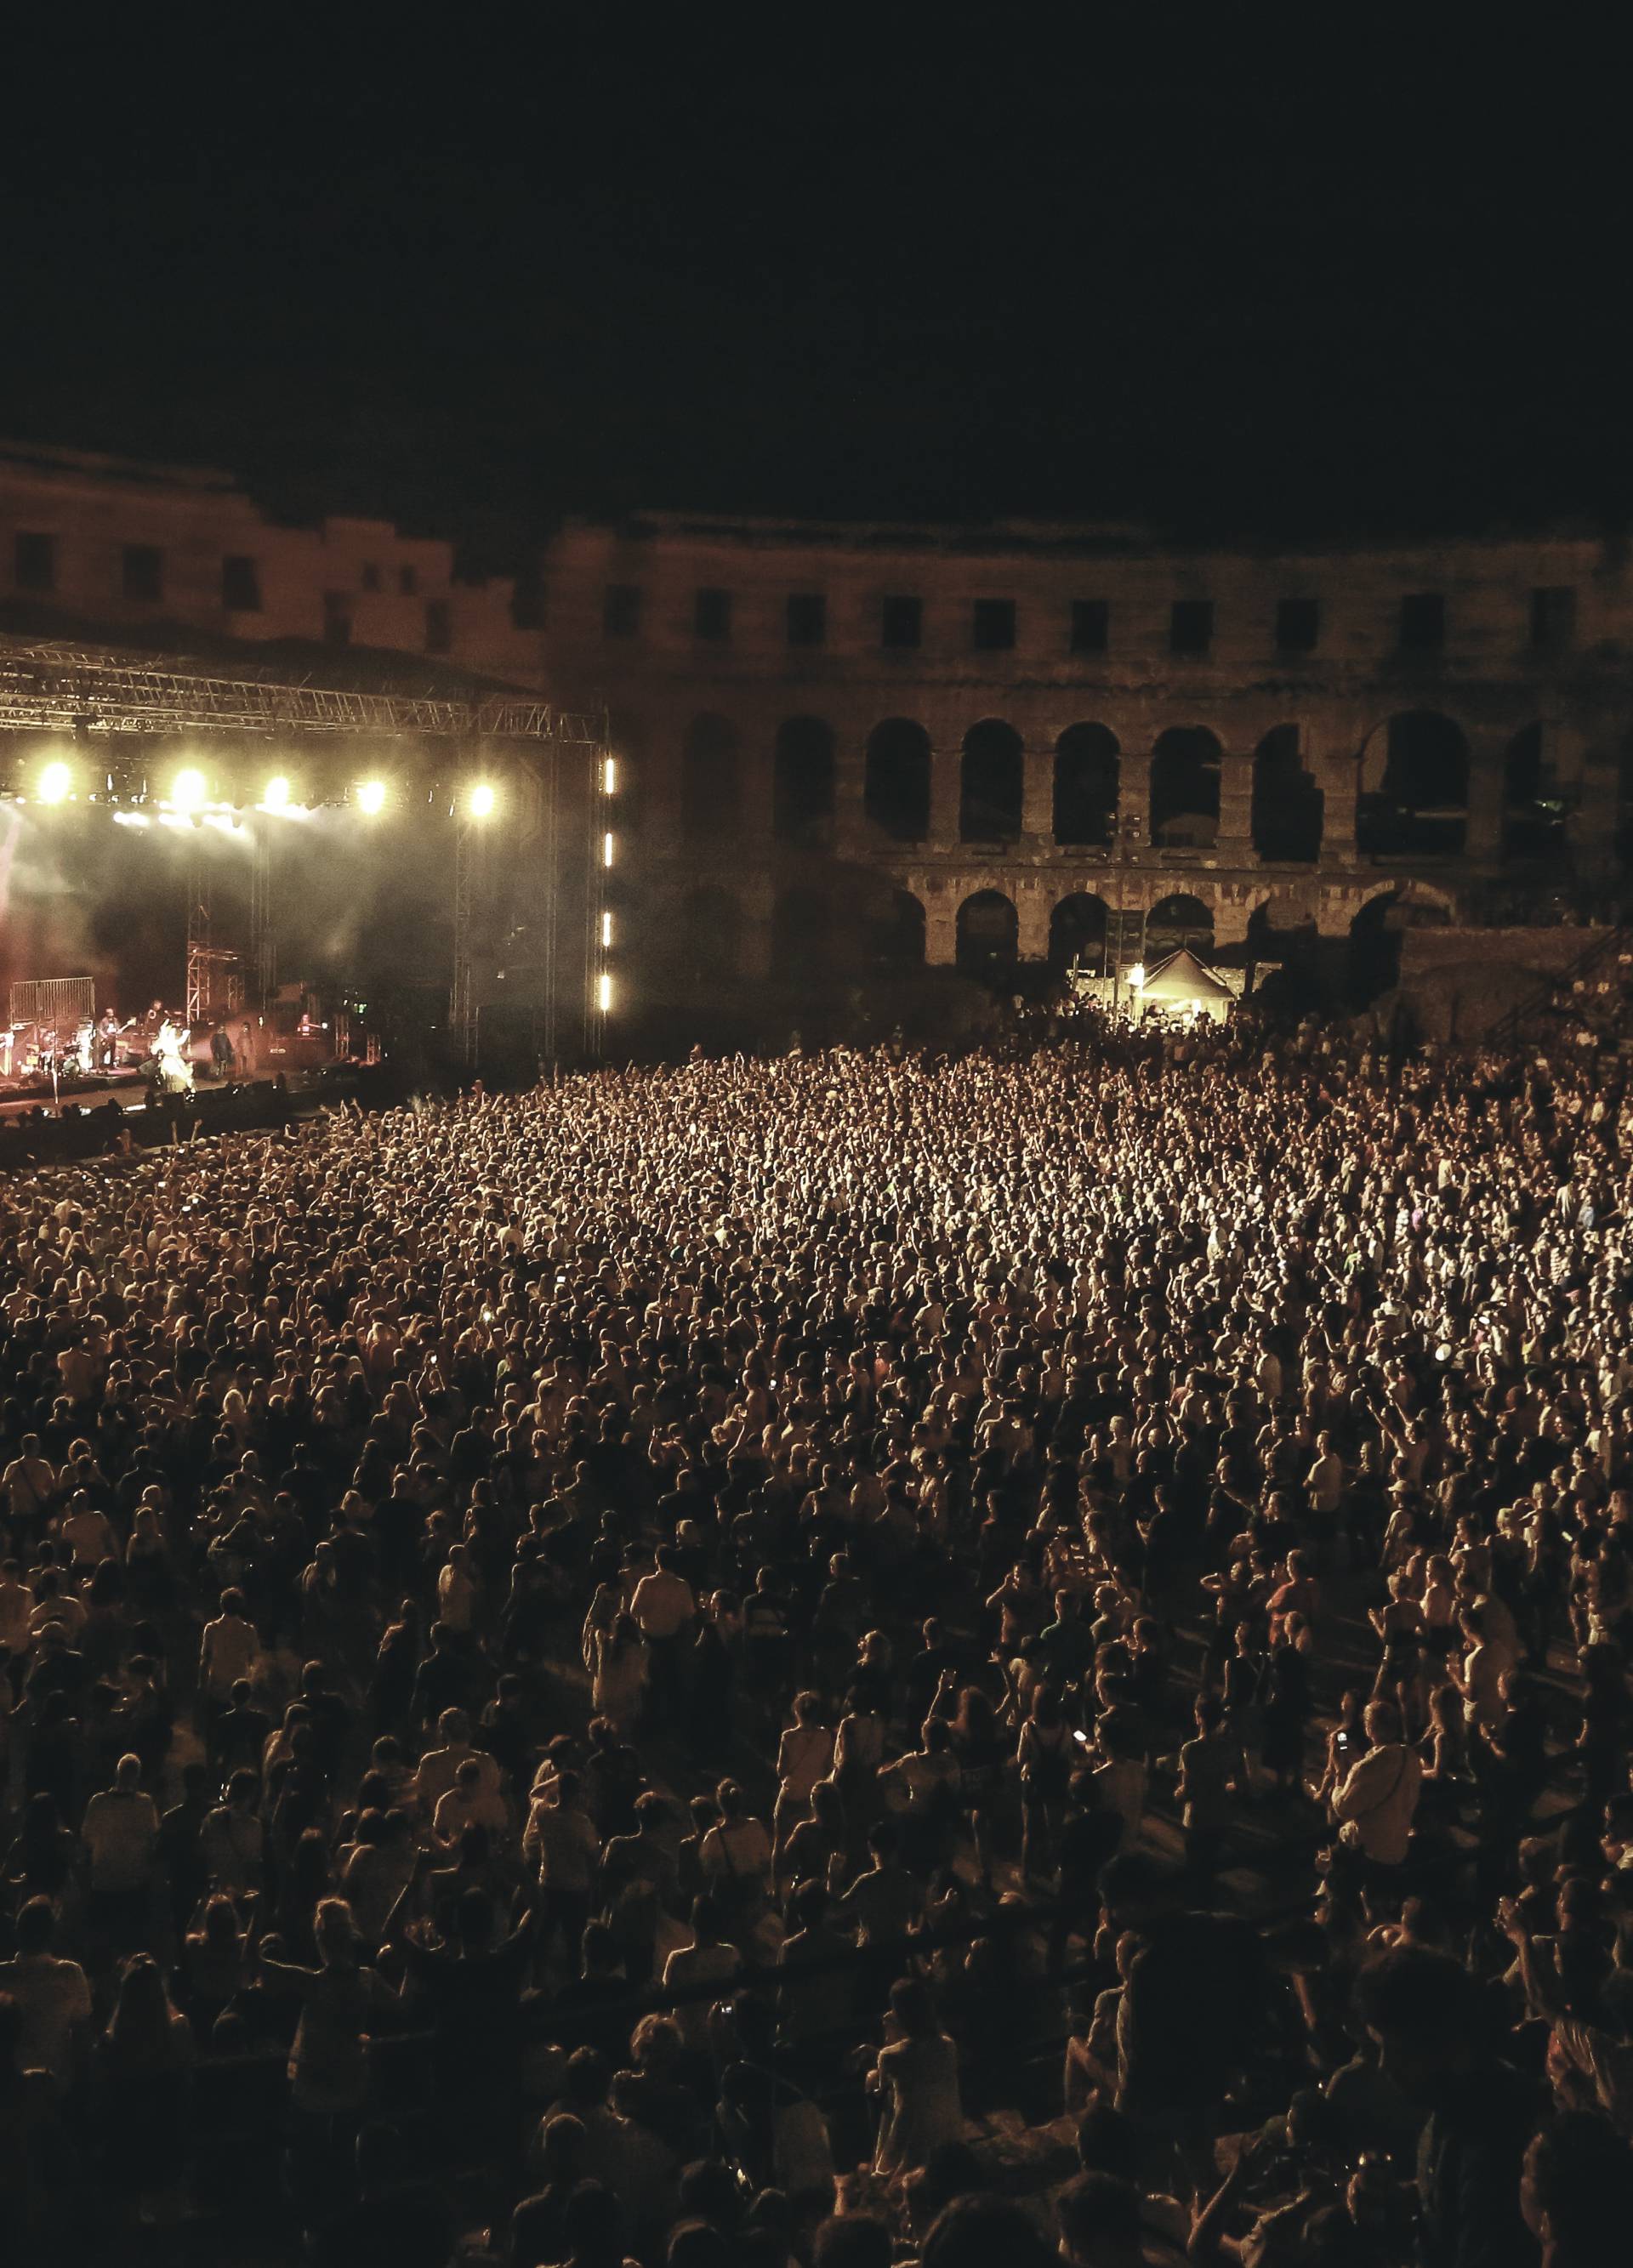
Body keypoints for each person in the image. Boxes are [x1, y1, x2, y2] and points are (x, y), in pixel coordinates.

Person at [869, 1977, 964, 2175]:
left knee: (881, 2091)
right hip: (950, 2134)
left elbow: (881, 2085)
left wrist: (890, 2035)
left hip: (913, 2142)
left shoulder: (889, 2056)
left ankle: (879, 2163)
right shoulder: (948, 2046)